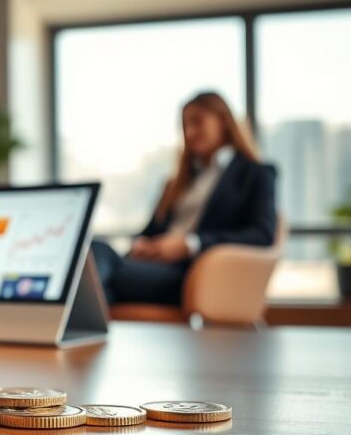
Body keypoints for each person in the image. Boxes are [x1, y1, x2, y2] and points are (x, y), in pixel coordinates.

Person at [92, 91, 277, 306]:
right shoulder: (176, 183)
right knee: (96, 258)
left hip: (193, 274)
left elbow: (262, 234)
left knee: (98, 267)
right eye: (185, 126)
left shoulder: (256, 174)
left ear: (224, 122)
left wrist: (190, 244)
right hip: (150, 265)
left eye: (197, 123)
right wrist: (142, 244)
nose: (189, 133)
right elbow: (150, 231)